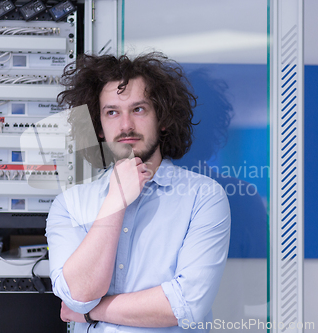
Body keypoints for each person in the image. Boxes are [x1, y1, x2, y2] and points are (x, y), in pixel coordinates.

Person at [46, 52, 231, 332]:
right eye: (112, 112)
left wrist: (89, 314)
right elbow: (78, 294)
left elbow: (186, 306)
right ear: (98, 127)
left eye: (139, 109)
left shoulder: (203, 197)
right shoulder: (70, 204)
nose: (126, 126)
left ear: (163, 119)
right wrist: (115, 201)